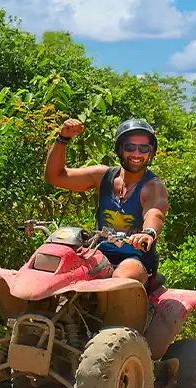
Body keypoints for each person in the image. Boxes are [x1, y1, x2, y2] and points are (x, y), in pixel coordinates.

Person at [43, 117, 169, 286]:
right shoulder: (103, 176)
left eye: (144, 148)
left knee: (120, 279)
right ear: (120, 149)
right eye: (130, 147)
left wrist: (148, 233)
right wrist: (63, 139)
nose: (137, 153)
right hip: (98, 253)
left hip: (135, 260)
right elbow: (55, 176)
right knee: (56, 265)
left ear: (151, 151)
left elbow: (156, 212)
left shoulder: (153, 186)